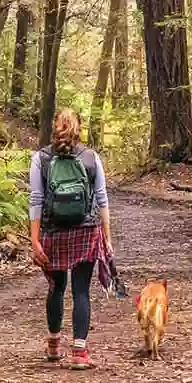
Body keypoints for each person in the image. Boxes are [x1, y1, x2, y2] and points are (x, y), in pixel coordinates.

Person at [29, 109, 112, 369]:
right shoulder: (91, 158)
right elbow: (101, 199)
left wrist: (35, 240)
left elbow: (36, 200)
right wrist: (107, 238)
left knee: (56, 287)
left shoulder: (40, 159)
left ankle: (53, 344)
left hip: (53, 232)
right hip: (85, 231)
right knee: (80, 291)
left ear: (55, 127)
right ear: (79, 128)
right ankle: (79, 352)